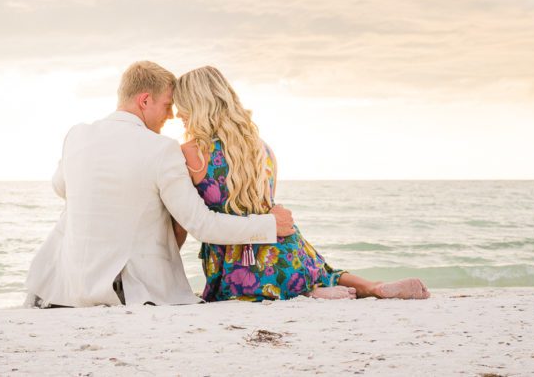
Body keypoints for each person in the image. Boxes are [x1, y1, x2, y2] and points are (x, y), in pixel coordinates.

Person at [24, 61, 296, 307]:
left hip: (65, 287)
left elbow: (60, 187)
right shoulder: (161, 149)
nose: (172, 116)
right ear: (145, 100)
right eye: (167, 105)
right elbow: (201, 224)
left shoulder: (78, 135)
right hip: (128, 292)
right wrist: (268, 224)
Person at [172, 65, 430, 302]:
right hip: (286, 249)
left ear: (196, 105)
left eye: (181, 104)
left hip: (239, 265)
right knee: (327, 272)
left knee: (253, 291)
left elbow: (186, 220)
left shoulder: (190, 154)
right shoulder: (263, 149)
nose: (177, 113)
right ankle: (374, 287)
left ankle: (309, 293)